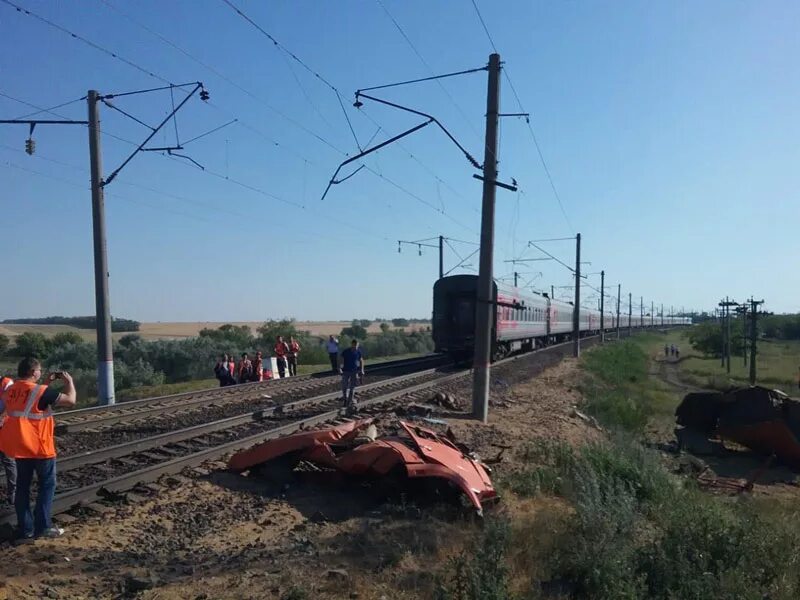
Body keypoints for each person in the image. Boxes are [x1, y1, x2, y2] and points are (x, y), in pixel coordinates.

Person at [0, 358, 76, 539]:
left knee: (22, 487)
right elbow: (70, 400)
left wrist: (47, 383)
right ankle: (43, 527)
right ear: (34, 372)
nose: (40, 372)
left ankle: (25, 529)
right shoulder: (42, 391)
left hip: (21, 446)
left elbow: (29, 399)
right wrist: (69, 382)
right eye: (39, 370)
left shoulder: (10, 390)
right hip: (41, 448)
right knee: (47, 485)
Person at [0, 374, 16, 506]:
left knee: (8, 460)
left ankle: (13, 493)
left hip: (5, 426)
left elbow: (11, 403)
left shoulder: (7, 383)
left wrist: (2, 418)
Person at [340, 339, 365, 411]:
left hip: (354, 371)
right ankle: (345, 399)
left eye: (357, 346)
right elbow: (340, 359)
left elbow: (361, 360)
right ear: (352, 344)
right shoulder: (346, 351)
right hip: (346, 371)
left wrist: (362, 370)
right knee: (344, 386)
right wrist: (339, 368)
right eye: (355, 346)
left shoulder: (358, 352)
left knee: (352, 387)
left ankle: (349, 401)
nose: (356, 347)